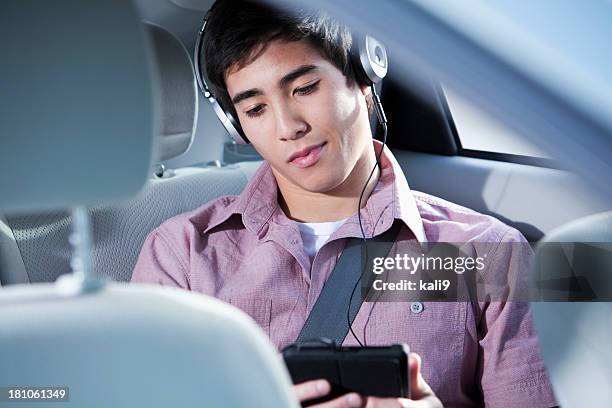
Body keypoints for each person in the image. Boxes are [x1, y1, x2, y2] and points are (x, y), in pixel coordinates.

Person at [132, 0, 558, 406]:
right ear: (236, 122)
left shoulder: (485, 254)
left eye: (305, 87)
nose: (288, 127)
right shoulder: (181, 256)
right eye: (256, 108)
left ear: (363, 74)